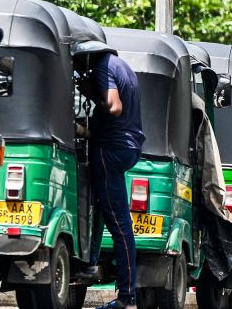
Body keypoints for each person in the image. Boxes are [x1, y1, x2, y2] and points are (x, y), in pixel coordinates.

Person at [76, 51, 145, 309]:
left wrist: (95, 94)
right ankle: (91, 262)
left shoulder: (102, 68)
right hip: (127, 147)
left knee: (120, 226)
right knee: (105, 213)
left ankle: (127, 299)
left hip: (110, 151)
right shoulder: (121, 65)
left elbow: (114, 106)